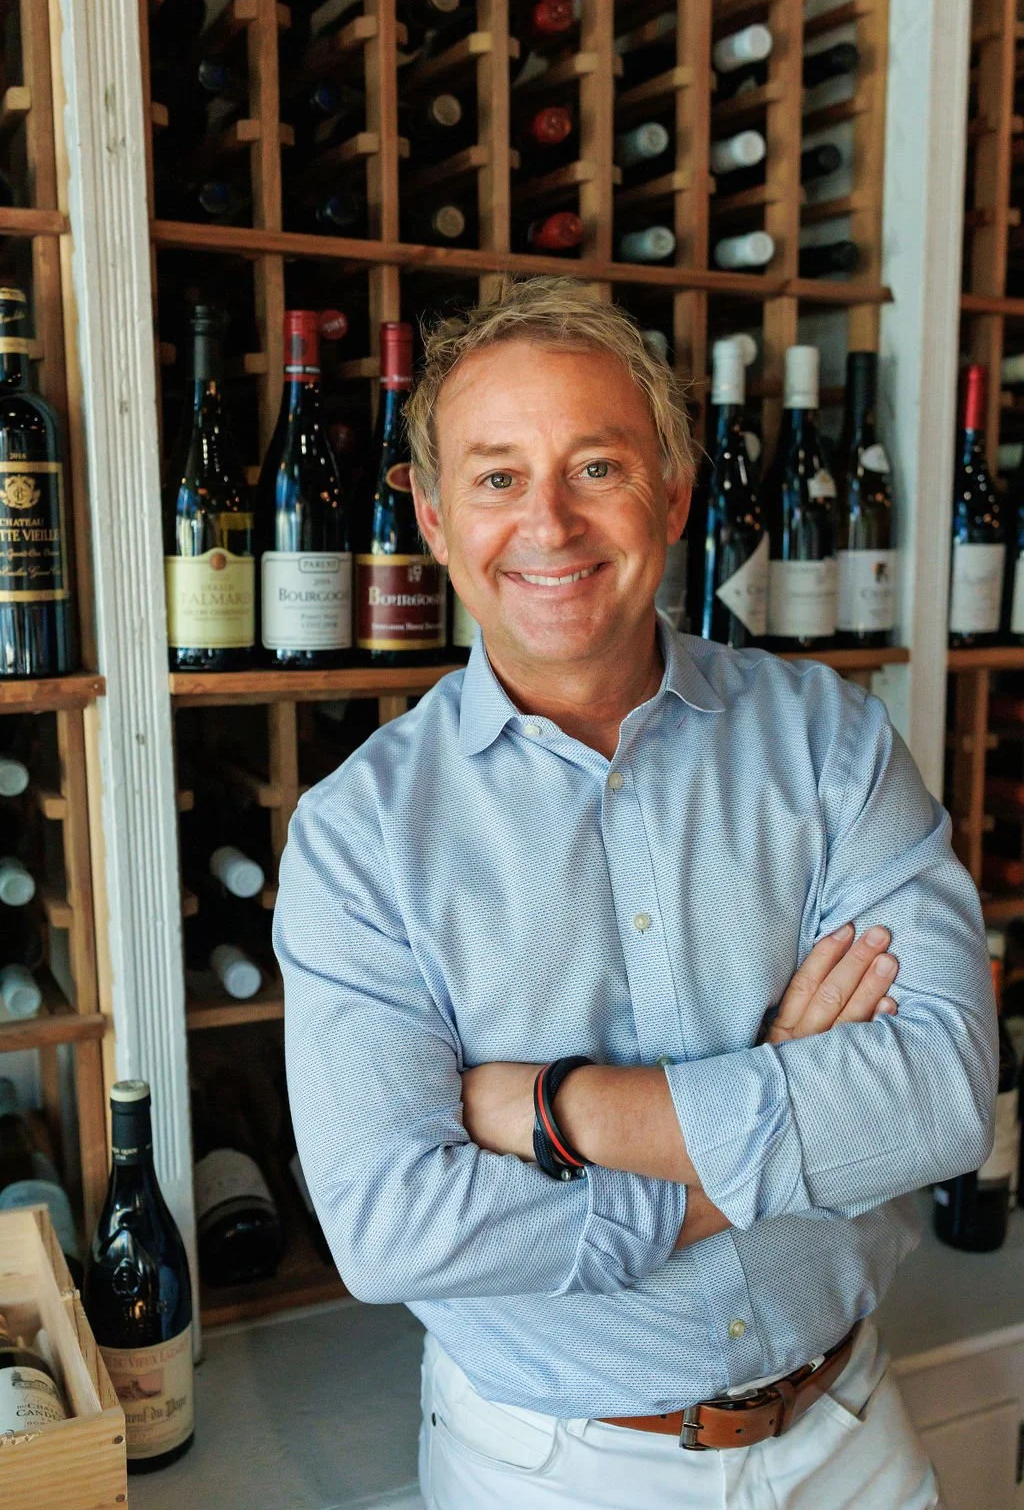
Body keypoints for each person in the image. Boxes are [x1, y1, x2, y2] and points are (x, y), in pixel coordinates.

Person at [275, 276, 995, 1509]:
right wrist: (767, 1124)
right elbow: (393, 1228)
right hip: (552, 1467)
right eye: (498, 477)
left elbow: (940, 1100)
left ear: (670, 489)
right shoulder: (359, 840)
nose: (548, 524)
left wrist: (561, 1109)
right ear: (437, 522)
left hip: (848, 1433)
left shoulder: (831, 744)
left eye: (595, 466)